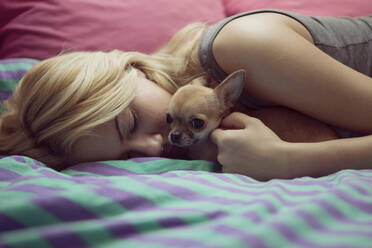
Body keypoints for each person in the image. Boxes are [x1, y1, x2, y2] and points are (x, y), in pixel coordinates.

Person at [0, 9, 371, 180]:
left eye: (129, 121)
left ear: (134, 72)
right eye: (128, 157)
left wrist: (289, 161)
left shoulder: (242, 48)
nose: (151, 149)